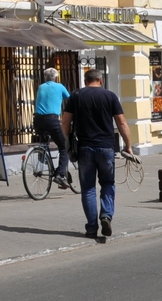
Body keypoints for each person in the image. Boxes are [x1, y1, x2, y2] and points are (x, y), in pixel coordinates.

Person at [60, 69, 133, 243]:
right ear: (100, 81)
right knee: (107, 183)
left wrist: (67, 142)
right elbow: (121, 122)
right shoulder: (110, 96)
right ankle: (106, 216)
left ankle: (92, 228)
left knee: (88, 188)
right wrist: (128, 146)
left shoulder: (76, 96)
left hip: (85, 148)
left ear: (86, 81)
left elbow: (65, 121)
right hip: (107, 148)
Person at [33, 67, 71, 188]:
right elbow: (69, 100)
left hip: (37, 120)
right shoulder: (60, 87)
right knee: (63, 146)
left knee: (45, 139)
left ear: (45, 77)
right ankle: (60, 175)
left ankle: (42, 155)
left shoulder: (41, 87)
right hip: (52, 119)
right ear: (56, 77)